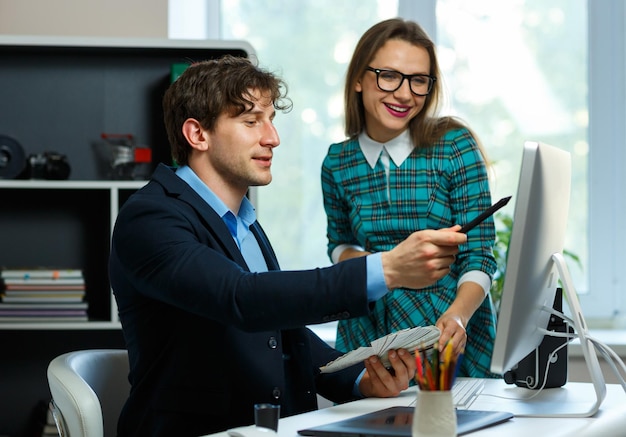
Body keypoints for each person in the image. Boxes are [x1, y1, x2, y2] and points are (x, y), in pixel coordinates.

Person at [109, 55, 468, 436]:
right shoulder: (149, 219)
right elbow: (241, 299)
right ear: (198, 134)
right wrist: (387, 269)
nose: (272, 138)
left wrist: (358, 380)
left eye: (271, 121)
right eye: (251, 122)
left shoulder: (244, 222)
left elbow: (279, 330)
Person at [321, 18, 499, 378]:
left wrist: (458, 316)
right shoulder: (337, 162)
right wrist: (388, 263)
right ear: (359, 78)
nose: (404, 93)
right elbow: (338, 245)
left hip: (446, 334)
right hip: (366, 334)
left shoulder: (453, 146)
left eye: (419, 80)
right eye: (389, 75)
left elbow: (479, 254)